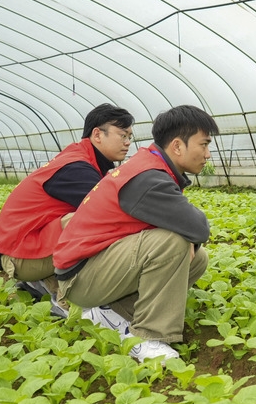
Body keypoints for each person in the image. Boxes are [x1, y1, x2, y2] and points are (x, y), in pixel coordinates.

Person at [53, 105, 216, 363]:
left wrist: (192, 242)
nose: (207, 153)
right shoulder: (148, 178)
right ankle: (147, 337)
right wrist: (190, 238)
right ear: (177, 146)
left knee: (198, 257)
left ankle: (112, 312)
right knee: (172, 242)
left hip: (95, 267)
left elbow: (191, 228)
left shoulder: (152, 167)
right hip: (79, 277)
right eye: (204, 144)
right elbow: (197, 226)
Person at [0, 103, 134, 317]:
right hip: (18, 257)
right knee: (99, 221)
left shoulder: (85, 160)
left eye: (130, 136)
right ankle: (68, 297)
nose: (128, 142)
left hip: (26, 248)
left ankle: (43, 282)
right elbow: (119, 211)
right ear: (97, 134)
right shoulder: (76, 168)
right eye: (123, 135)